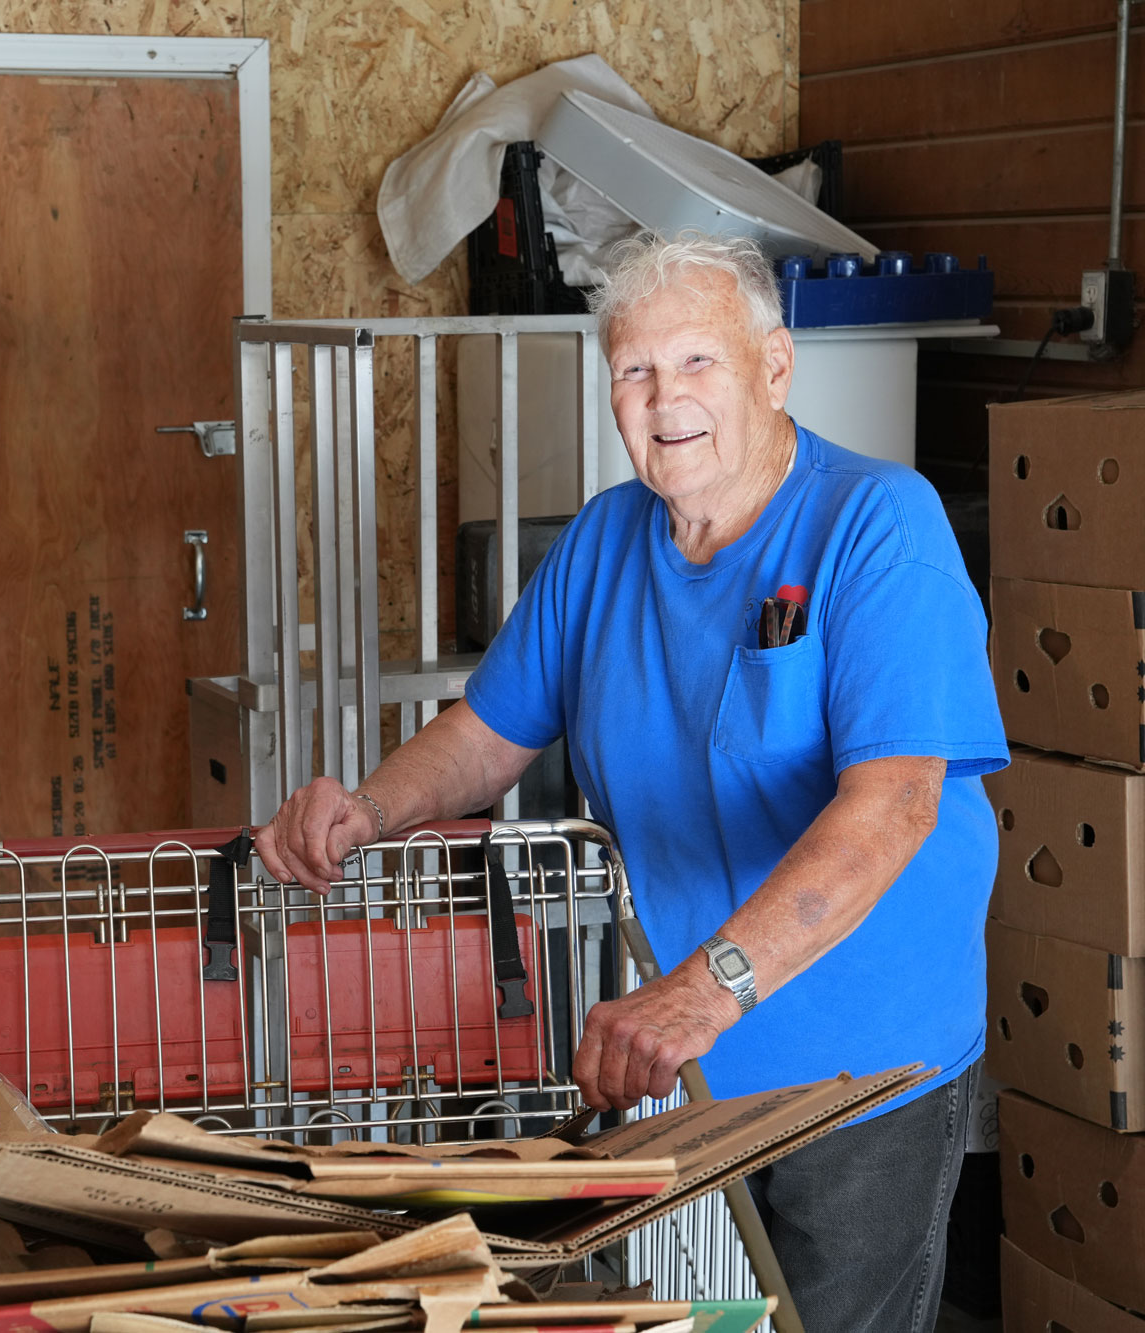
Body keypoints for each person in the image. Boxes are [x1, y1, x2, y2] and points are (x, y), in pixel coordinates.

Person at [255, 229, 1007, 1333]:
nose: (664, 399)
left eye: (696, 361)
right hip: (671, 1062)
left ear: (773, 365)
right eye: (633, 371)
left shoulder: (876, 524)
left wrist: (703, 991)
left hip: (857, 1062)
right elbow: (485, 733)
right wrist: (367, 809)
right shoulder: (605, 541)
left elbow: (892, 806)